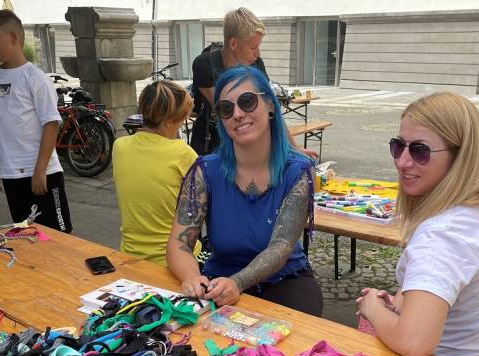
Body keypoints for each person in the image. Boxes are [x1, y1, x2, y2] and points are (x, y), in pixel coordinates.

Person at [357, 92, 479, 356]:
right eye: (398, 146)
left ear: (460, 156)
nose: (402, 162)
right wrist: (399, 305)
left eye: (419, 150)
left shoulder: (443, 235)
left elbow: (414, 343)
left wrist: (372, 308)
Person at [167, 65, 323, 316]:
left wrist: (237, 283)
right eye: (226, 108)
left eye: (247, 101)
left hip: (284, 281)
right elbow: (179, 244)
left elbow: (280, 247)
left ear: (270, 105)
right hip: (217, 282)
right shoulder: (205, 171)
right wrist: (192, 278)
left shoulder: (299, 172)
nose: (237, 114)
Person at [0, 9, 72, 233]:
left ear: (13, 37)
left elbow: (51, 124)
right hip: (10, 174)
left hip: (43, 174)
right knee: (26, 235)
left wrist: (40, 170)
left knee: (58, 238)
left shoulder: (35, 78)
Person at [190, 7, 317, 160]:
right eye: (253, 47)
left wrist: (293, 147)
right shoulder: (204, 65)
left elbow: (271, 107)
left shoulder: (255, 64)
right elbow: (228, 113)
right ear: (233, 43)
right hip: (211, 144)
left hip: (246, 143)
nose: (258, 53)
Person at [113, 81, 198, 265]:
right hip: (176, 261)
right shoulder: (183, 154)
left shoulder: (119, 146)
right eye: (182, 119)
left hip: (129, 255)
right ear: (169, 122)